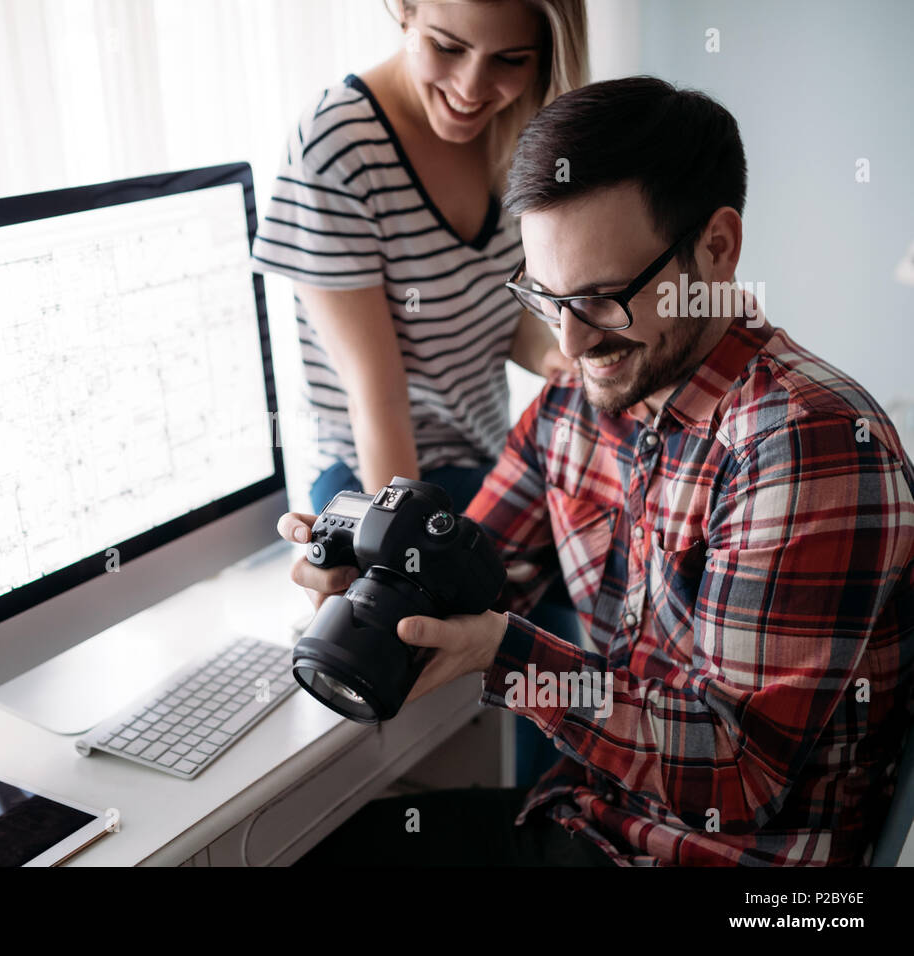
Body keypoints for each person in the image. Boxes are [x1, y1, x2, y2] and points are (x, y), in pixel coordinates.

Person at [278, 76, 914, 866]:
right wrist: (373, 572)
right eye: (544, 298)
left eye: (603, 300)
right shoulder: (576, 405)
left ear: (716, 247)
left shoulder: (807, 446)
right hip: (590, 819)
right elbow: (475, 573)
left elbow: (739, 772)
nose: (571, 346)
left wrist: (509, 657)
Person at [251, 0, 588, 516]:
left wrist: (557, 355)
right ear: (405, 10)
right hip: (376, 477)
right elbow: (376, 402)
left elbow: (493, 309)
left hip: (486, 460)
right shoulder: (338, 145)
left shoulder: (518, 129)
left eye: (510, 59)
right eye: (447, 47)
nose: (471, 90)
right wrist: (401, 558)